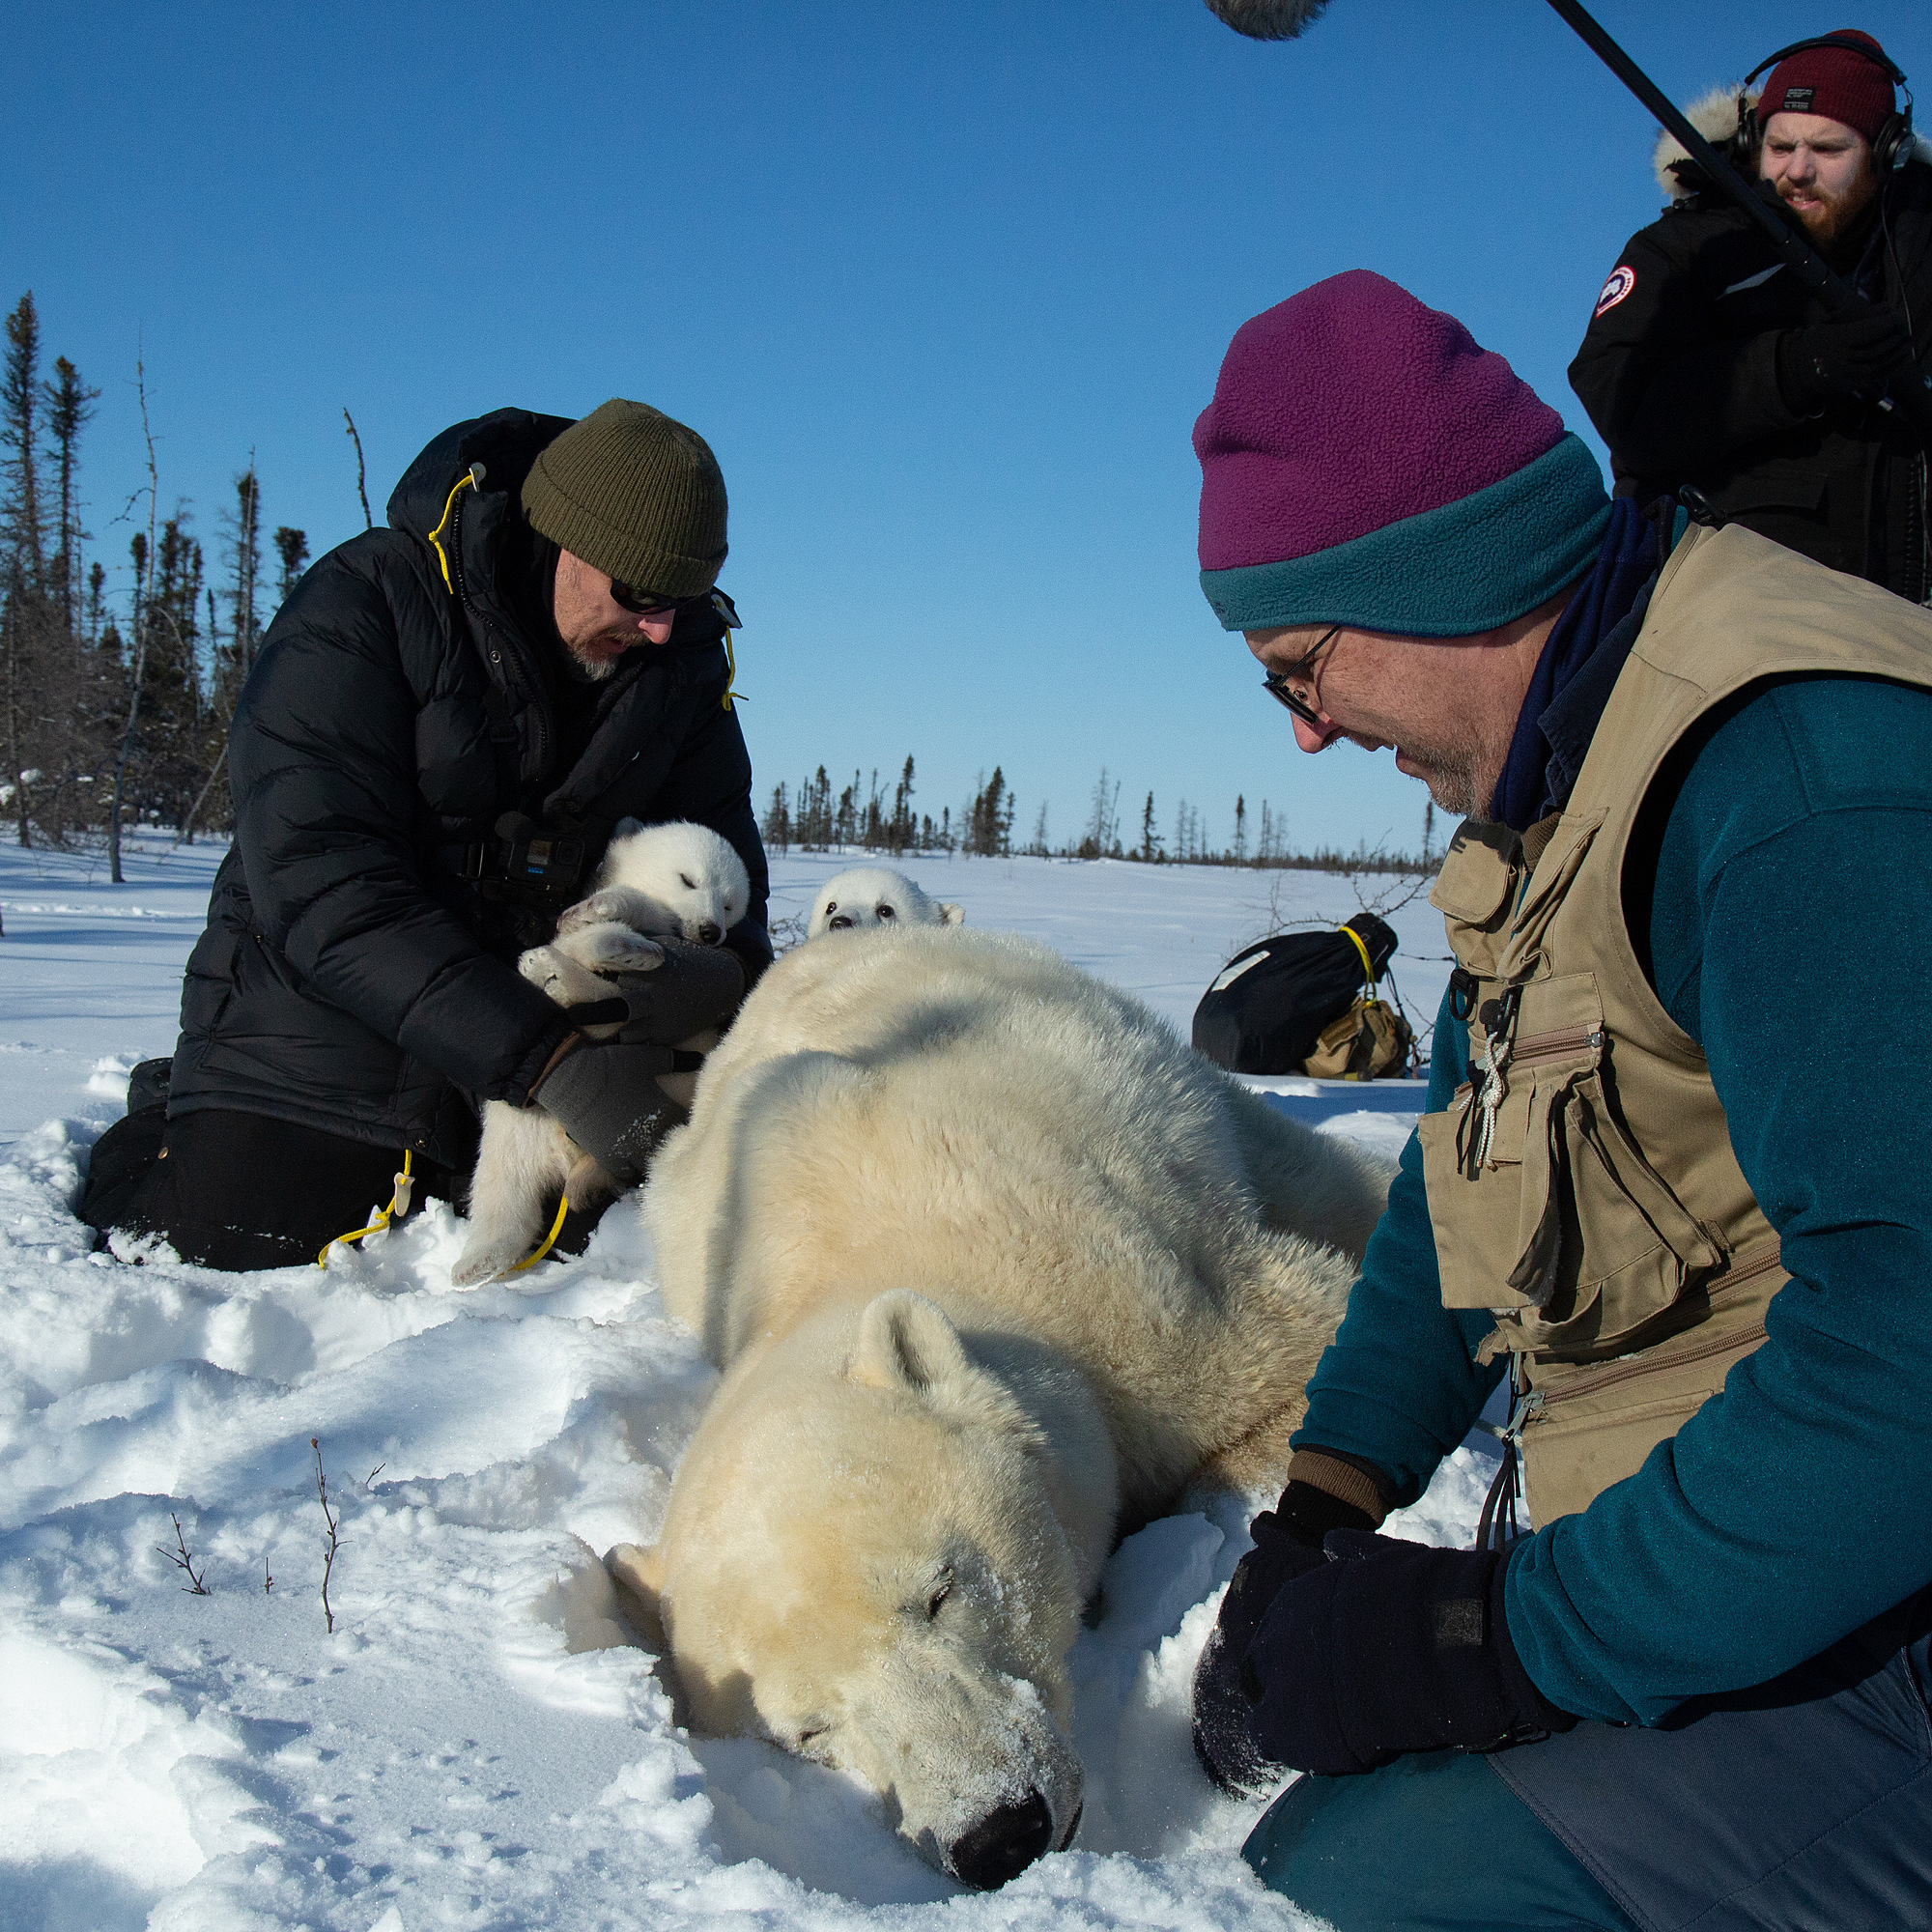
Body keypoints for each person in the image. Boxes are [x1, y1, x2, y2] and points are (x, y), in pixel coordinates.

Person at [1189, 270, 1932, 1929]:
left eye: (1297, 670)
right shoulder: (1553, 805)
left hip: (1885, 1607)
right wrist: (1324, 1511)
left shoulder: (1795, 785)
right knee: (1323, 1856)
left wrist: (1496, 1641)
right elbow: (1457, 1207)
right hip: (1753, 1575)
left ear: (1428, 585)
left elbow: (1912, 1357)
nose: (1305, 734)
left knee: (1409, 1892)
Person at [90, 401, 770, 1270]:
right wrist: (544, 1062)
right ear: (561, 535)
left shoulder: (678, 671)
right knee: (241, 1235)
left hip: (544, 1017)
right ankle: (163, 1116)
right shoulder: (366, 604)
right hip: (321, 1016)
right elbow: (324, 887)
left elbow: (730, 885)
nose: (662, 628)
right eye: (638, 594)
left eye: (685, 599)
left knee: (610, 1243)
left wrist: (702, 979)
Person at [1569, 28, 1932, 603]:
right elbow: (1620, 399)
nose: (1798, 170)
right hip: (1726, 618)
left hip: (1910, 625)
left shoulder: (1919, 258)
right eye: (1780, 146)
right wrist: (1793, 369)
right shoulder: (1686, 248)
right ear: (1752, 135)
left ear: (1887, 152)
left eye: (1830, 150)